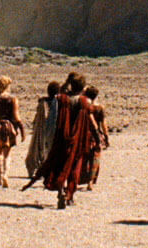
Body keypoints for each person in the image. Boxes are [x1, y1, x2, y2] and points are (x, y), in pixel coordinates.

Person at [38, 72, 98, 208]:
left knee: (60, 165)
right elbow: (91, 122)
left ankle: (60, 191)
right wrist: (98, 138)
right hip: (78, 139)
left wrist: (67, 82)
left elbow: (59, 95)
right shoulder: (84, 102)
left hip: (61, 137)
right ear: (83, 87)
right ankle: (69, 195)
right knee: (74, 168)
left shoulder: (62, 99)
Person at [23, 80, 61, 185]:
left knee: (39, 148)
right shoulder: (58, 103)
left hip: (42, 129)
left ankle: (38, 169)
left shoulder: (43, 103)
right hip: (53, 130)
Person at [83, 85, 109, 189]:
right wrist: (106, 136)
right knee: (95, 158)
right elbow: (103, 124)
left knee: (85, 157)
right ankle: (91, 181)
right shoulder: (99, 108)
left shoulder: (85, 107)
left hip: (85, 134)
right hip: (96, 134)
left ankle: (83, 178)